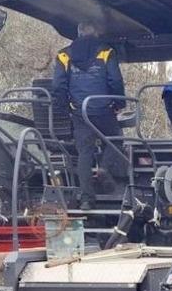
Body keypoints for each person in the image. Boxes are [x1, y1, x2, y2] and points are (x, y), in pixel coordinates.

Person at [52, 22, 126, 210]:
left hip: (80, 112)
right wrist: (119, 103)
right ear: (96, 33)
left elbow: (58, 86)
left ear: (78, 33)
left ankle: (86, 199)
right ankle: (104, 168)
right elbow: (115, 79)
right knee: (115, 140)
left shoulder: (64, 55)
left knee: (85, 153)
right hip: (104, 109)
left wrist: (64, 108)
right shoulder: (106, 51)